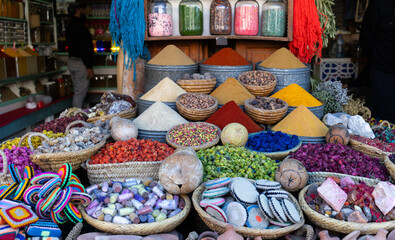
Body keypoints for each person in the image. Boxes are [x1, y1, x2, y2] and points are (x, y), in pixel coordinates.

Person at [360, 0, 395, 122]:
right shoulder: (380, 3)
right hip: (384, 74)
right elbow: (367, 36)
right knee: (385, 123)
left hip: (383, 69)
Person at [66, 3, 94, 108]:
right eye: (83, 9)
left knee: (80, 92)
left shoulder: (69, 26)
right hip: (80, 63)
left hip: (72, 61)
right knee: (79, 94)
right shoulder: (80, 27)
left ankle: (82, 116)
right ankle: (74, 118)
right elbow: (84, 48)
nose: (85, 12)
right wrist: (89, 66)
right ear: (78, 10)